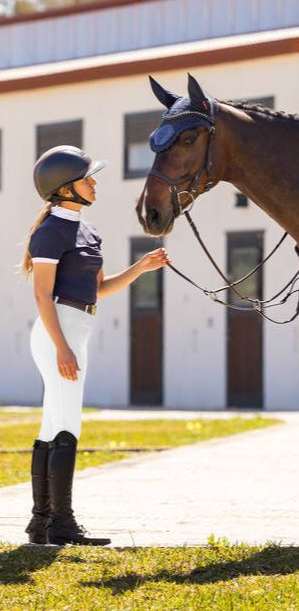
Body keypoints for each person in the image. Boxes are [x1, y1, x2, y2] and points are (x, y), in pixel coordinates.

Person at [20, 145, 169, 546]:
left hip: (77, 325)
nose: (94, 183)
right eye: (88, 178)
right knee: (68, 422)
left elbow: (99, 289)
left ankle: (41, 523)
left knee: (54, 423)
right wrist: (63, 348)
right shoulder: (50, 231)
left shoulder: (87, 230)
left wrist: (141, 268)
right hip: (59, 330)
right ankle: (62, 525)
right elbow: (41, 296)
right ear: (66, 189)